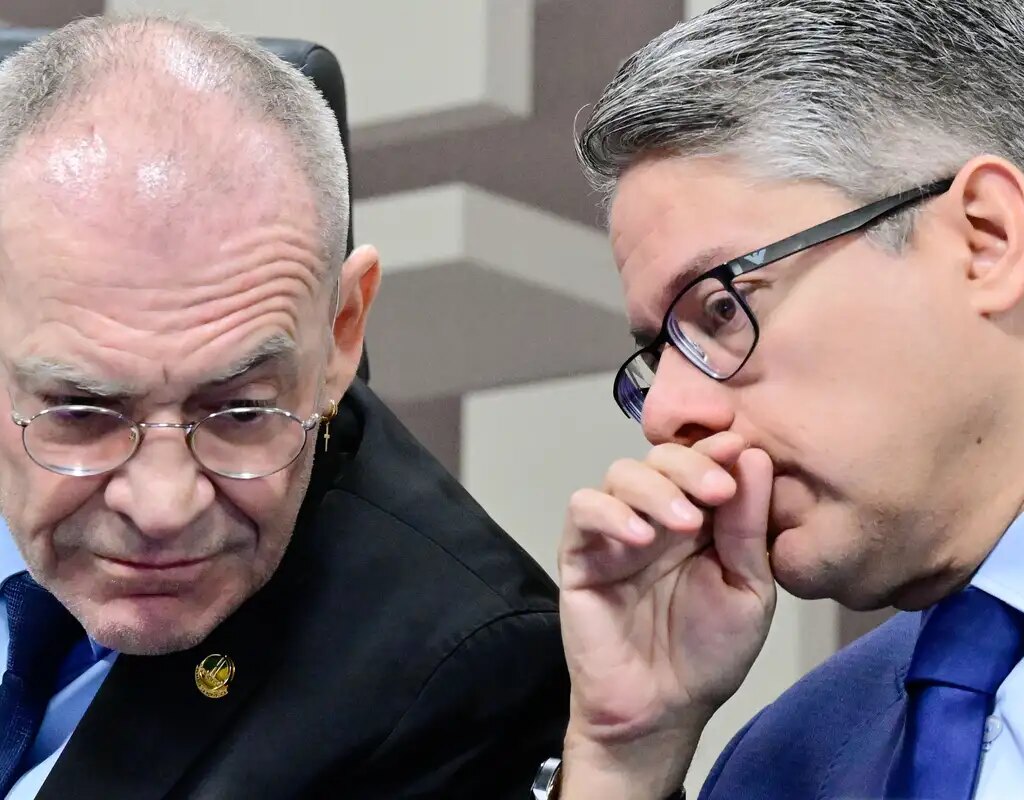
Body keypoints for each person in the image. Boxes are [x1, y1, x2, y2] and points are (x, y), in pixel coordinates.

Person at [0, 15, 568, 800]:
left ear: (342, 332)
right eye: (82, 412)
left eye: (239, 413)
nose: (162, 507)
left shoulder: (461, 682)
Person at [548, 1, 1024, 798]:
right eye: (659, 354)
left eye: (722, 308)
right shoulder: (783, 762)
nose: (664, 415)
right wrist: (623, 762)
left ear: (986, 238)